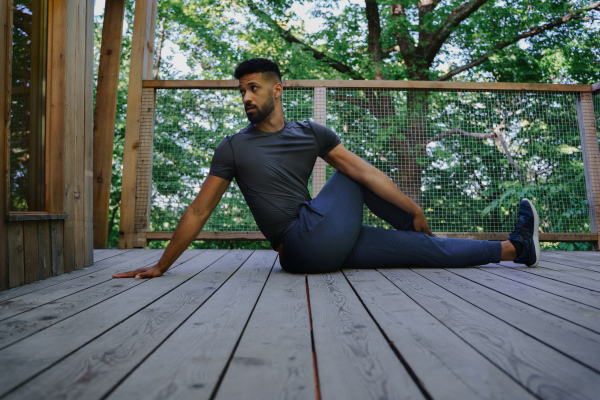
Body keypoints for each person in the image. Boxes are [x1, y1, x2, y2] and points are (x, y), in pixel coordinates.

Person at [113, 58, 540, 279]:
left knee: (426, 251)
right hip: (299, 245)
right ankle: (413, 224)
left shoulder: (311, 133)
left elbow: (371, 177)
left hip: (325, 242)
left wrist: (413, 211)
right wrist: (160, 265)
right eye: (240, 90)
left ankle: (515, 249)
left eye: (253, 88)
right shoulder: (233, 148)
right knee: (350, 175)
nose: (245, 97)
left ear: (276, 90)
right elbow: (198, 211)